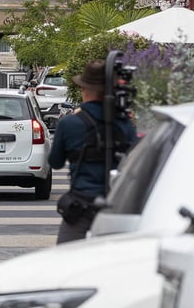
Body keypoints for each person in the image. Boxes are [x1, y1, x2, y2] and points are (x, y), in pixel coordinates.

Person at [49, 59, 137, 243]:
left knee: (65, 257)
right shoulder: (124, 124)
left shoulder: (69, 123)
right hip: (116, 205)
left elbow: (55, 162)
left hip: (82, 205)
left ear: (83, 89)